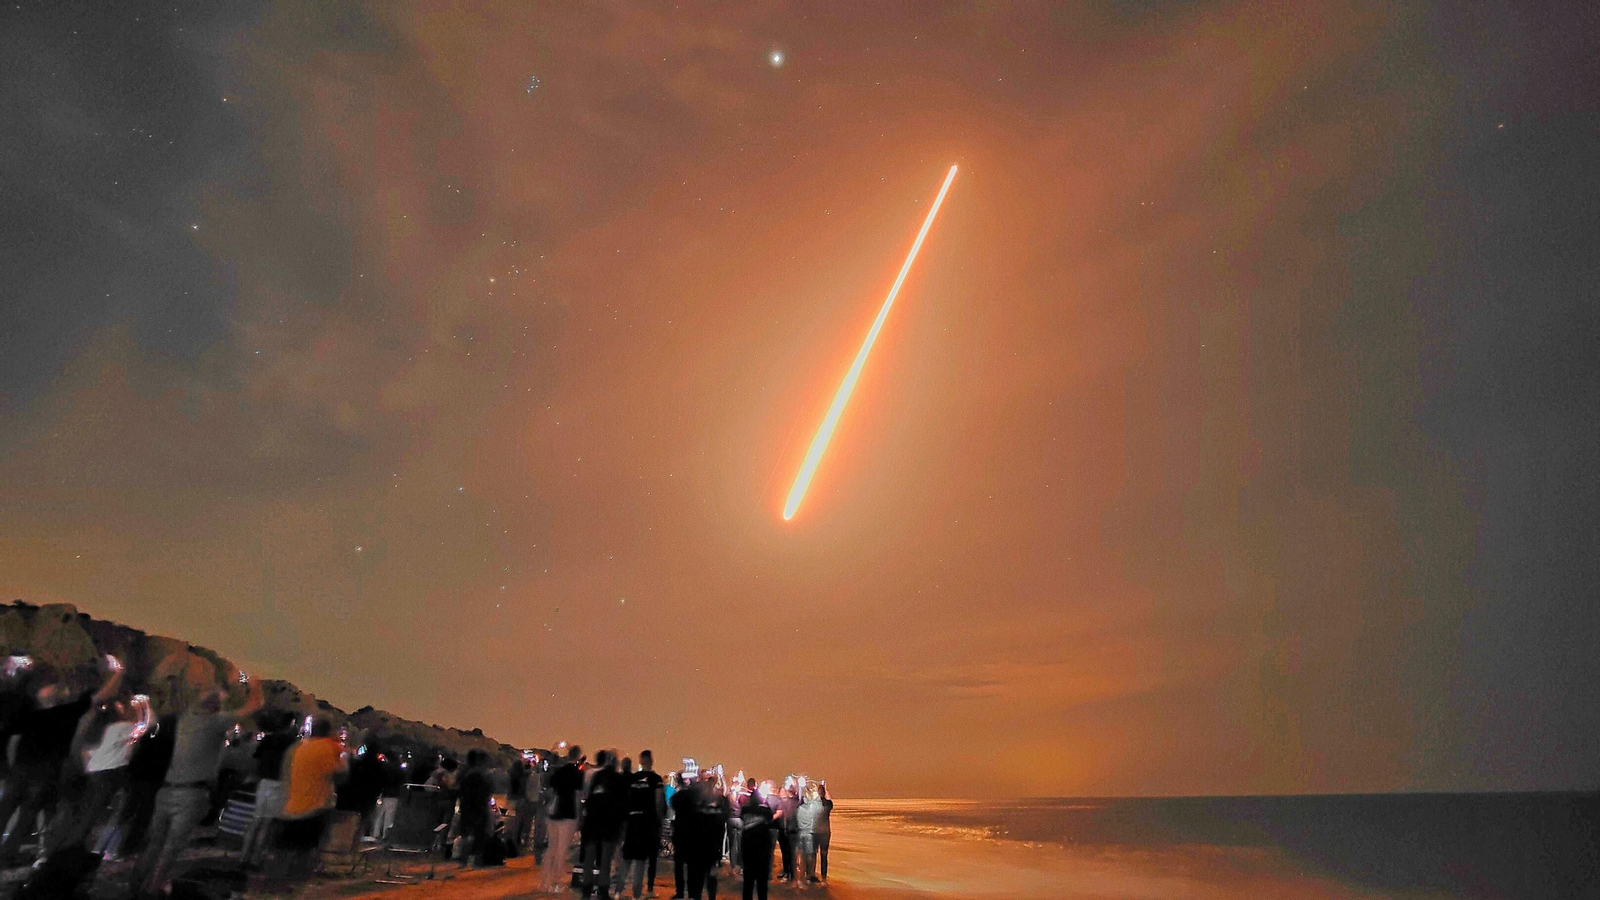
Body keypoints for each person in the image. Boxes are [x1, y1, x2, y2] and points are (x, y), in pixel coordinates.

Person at [132, 672, 262, 897]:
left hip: (167, 789)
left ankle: (136, 884)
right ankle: (152, 889)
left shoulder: (186, 718)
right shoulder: (216, 722)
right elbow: (255, 703)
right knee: (172, 847)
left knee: (154, 843)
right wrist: (254, 681)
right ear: (215, 706)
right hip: (191, 794)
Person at [0, 654, 122, 867]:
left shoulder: (32, 710)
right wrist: (118, 672)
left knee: (12, 815)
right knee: (23, 818)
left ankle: (8, 856)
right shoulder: (65, 712)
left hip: (24, 771)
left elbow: (14, 741)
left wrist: (12, 767)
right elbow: (102, 695)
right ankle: (6, 858)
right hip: (42, 774)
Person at [41, 693, 140, 857]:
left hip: (80, 772)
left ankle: (51, 850)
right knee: (88, 816)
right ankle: (68, 852)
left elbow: (83, 751)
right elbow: (143, 729)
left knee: (72, 815)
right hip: (102, 774)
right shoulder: (119, 727)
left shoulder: (90, 724)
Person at [271, 717, 348, 887]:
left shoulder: (296, 748)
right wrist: (343, 756)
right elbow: (341, 776)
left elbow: (284, 773)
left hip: (289, 805)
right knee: (307, 849)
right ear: (328, 731)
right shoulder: (330, 747)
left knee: (284, 848)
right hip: (316, 806)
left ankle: (276, 883)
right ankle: (298, 883)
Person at [241, 709, 296, 864]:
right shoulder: (292, 744)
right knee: (267, 823)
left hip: (264, 782)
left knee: (256, 820)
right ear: (291, 724)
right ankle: (256, 859)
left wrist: (253, 776)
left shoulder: (268, 739)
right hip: (279, 783)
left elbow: (255, 760)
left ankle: (244, 856)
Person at [580, 749, 627, 899]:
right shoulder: (618, 779)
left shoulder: (597, 777)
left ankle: (586, 889)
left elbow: (588, 798)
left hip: (593, 821)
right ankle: (603, 889)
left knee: (589, 857)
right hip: (610, 823)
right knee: (606, 858)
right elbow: (623, 804)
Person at [539, 744, 584, 893]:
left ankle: (544, 881)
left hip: (553, 813)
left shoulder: (559, 771)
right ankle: (556, 882)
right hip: (568, 813)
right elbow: (579, 795)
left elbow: (549, 789)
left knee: (551, 847)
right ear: (577, 756)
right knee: (562, 850)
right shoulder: (577, 774)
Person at [622, 749, 666, 899]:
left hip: (633, 820)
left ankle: (620, 889)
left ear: (640, 761)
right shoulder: (656, 779)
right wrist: (660, 819)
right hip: (649, 821)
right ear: (651, 761)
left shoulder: (633, 779)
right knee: (648, 857)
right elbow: (659, 801)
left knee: (629, 856)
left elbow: (627, 799)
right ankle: (646, 890)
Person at [686, 773, 730, 900]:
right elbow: (724, 819)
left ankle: (698, 896)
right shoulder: (719, 803)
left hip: (702, 845)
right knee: (710, 876)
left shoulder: (698, 804)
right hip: (711, 846)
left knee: (700, 876)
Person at [455, 749, 494, 866]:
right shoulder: (481, 775)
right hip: (478, 806)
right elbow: (485, 792)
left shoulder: (464, 773)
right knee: (479, 833)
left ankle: (463, 859)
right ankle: (475, 859)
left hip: (466, 806)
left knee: (466, 832)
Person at [738, 780, 775, 900]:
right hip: (762, 851)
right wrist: (765, 802)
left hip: (748, 849)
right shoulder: (765, 811)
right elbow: (770, 817)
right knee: (762, 883)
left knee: (748, 881)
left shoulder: (745, 810)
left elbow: (741, 817)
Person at [668, 774, 694, 899]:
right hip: (691, 832)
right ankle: (692, 891)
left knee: (678, 864)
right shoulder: (694, 796)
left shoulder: (677, 797)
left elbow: (672, 804)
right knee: (691, 864)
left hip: (679, 831)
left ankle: (680, 891)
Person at [796, 785, 823, 882]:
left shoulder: (800, 808)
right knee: (809, 855)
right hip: (809, 834)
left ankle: (801, 877)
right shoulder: (815, 807)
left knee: (802, 856)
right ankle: (809, 874)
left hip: (801, 833)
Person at [774, 786, 799, 882]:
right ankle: (785, 871)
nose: (783, 793)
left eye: (784, 791)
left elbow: (798, 799)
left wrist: (796, 788)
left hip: (791, 831)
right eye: (781, 791)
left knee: (791, 853)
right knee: (784, 853)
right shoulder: (779, 803)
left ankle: (791, 874)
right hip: (781, 830)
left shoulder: (792, 802)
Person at [812, 783, 832, 883]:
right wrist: (825, 790)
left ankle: (812, 875)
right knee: (824, 856)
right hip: (824, 833)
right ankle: (823, 878)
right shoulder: (828, 803)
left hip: (816, 831)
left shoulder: (813, 804)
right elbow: (829, 800)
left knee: (813, 854)